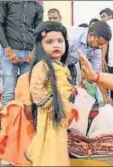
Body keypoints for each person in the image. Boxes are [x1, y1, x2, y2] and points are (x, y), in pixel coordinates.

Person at [24, 21, 76, 166]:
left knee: (59, 140)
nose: (56, 45)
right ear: (41, 45)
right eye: (50, 42)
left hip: (62, 112)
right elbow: (36, 89)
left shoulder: (61, 66)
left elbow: (63, 85)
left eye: (60, 41)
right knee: (49, 140)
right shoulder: (42, 66)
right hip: (50, 112)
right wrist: (52, 106)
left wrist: (72, 89)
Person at [0, 1, 43, 106]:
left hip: (29, 53)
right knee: (9, 94)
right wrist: (8, 50)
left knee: (28, 94)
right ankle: (9, 122)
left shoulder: (36, 5)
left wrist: (34, 52)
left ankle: (25, 122)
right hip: (9, 52)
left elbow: (39, 30)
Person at [0, 73, 35, 166]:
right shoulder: (26, 77)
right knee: (15, 107)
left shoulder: (57, 74)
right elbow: (24, 100)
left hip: (48, 109)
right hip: (30, 110)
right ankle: (11, 153)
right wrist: (29, 105)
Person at [67, 21, 112, 105]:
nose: (100, 47)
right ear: (91, 35)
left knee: (71, 98)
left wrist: (105, 96)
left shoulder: (96, 48)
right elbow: (55, 60)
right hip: (52, 62)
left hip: (70, 64)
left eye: (102, 44)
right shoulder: (73, 37)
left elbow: (97, 74)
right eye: (99, 43)